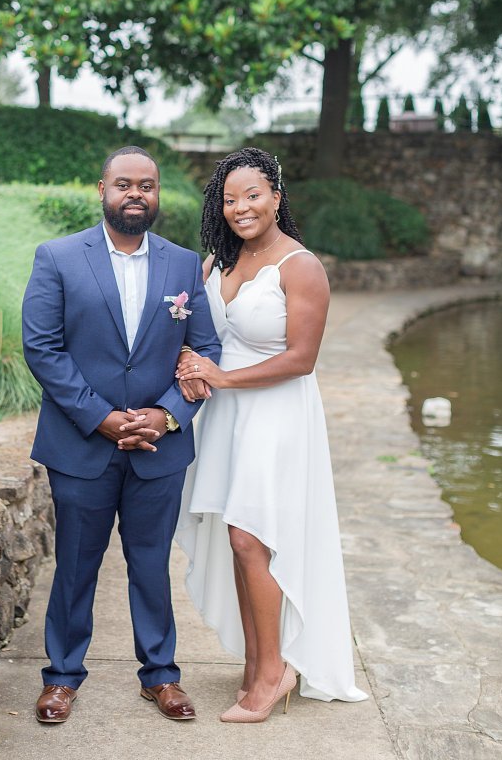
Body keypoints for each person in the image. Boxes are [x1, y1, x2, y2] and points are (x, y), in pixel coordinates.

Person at [22, 146, 221, 725]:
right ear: (102, 190)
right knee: (75, 564)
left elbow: (205, 348)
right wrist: (101, 418)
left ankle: (161, 675)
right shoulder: (58, 257)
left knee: (152, 564)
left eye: (147, 185)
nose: (136, 194)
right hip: (81, 443)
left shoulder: (183, 264)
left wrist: (167, 414)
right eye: (124, 184)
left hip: (160, 446)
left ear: (157, 194)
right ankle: (61, 677)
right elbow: (42, 347)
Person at [174, 147, 367, 723]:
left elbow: (302, 359)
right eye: (230, 199)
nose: (241, 208)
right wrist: (190, 363)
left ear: (277, 198)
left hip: (276, 412)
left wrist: (223, 377)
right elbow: (201, 335)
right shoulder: (217, 263)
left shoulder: (301, 266)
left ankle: (275, 670)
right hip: (226, 416)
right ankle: (258, 663)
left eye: (253, 195)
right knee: (237, 540)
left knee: (251, 537)